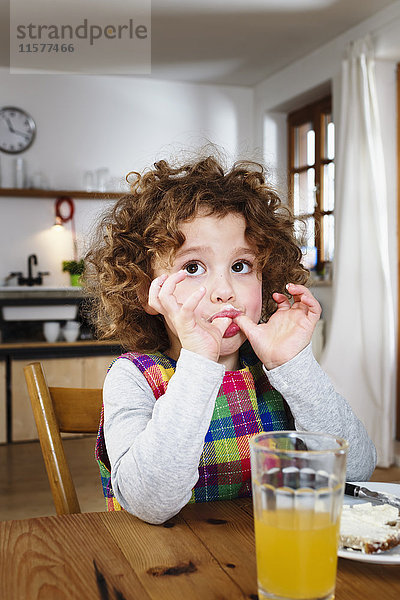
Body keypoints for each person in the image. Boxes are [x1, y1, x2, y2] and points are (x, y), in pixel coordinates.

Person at [85, 154, 376, 524]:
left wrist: (294, 364)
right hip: (162, 568)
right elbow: (149, 503)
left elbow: (358, 471)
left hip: (269, 558)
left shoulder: (278, 373)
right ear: (148, 292)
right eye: (192, 268)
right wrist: (200, 362)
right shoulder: (132, 379)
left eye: (241, 266)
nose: (224, 290)